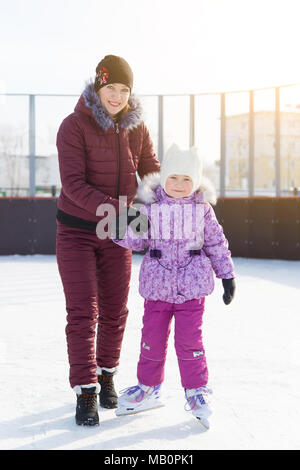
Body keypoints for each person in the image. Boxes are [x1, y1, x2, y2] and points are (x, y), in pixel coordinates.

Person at [55, 54, 160, 426]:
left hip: (118, 236)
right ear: (98, 86)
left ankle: (106, 374)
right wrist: (122, 214)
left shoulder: (137, 128)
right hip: (78, 231)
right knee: (84, 312)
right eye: (110, 88)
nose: (116, 96)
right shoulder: (73, 126)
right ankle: (86, 391)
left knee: (115, 311)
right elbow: (74, 185)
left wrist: (166, 202)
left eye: (123, 90)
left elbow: (150, 172)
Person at [112, 144, 236, 429]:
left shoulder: (203, 211)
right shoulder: (150, 209)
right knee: (151, 339)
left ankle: (196, 391)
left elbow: (217, 244)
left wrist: (227, 275)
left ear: (195, 182)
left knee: (189, 341)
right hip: (157, 287)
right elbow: (138, 240)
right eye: (173, 178)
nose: (179, 185)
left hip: (191, 289)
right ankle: (148, 387)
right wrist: (120, 231)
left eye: (187, 179)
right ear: (163, 177)